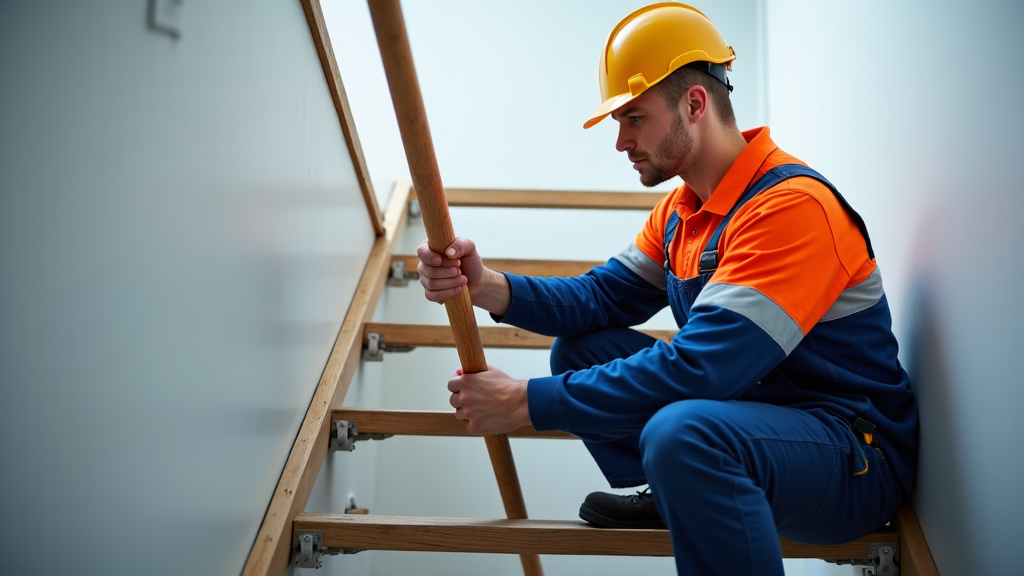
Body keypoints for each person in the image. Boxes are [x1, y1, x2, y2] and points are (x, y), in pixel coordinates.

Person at [416, 3, 918, 575]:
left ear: (694, 104)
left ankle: (687, 467)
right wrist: (486, 286)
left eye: (633, 118)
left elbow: (703, 368)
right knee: (582, 349)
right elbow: (600, 300)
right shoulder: (682, 212)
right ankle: (678, 487)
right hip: (759, 415)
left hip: (851, 452)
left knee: (684, 433)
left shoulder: (791, 208)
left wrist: (526, 402)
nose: (620, 142)